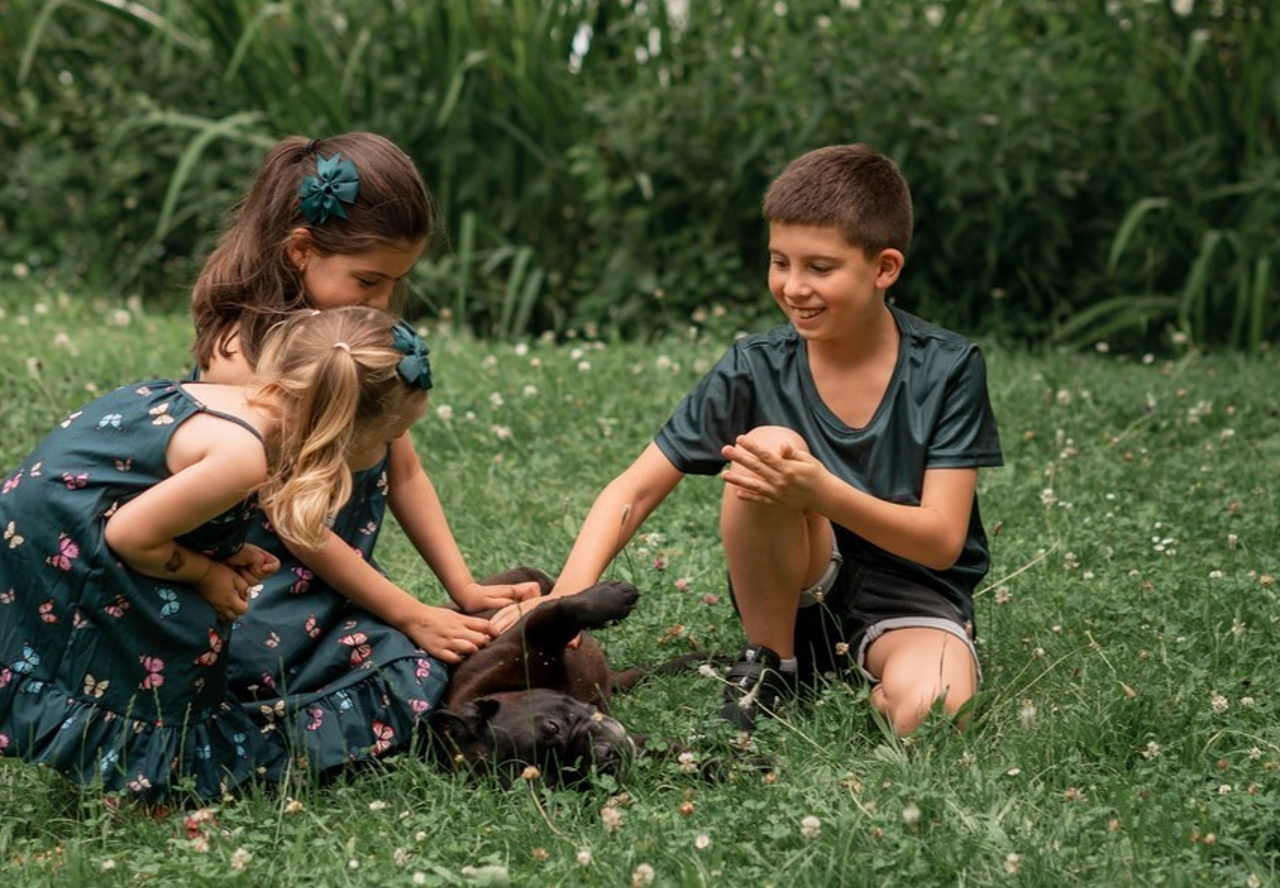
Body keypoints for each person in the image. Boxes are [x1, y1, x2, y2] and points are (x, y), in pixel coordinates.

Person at [493, 144, 1003, 737]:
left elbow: (942, 542)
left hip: (912, 602)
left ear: (884, 268)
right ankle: (771, 666)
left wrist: (822, 491)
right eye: (779, 261)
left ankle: (884, 669)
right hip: (795, 591)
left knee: (934, 713)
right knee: (768, 445)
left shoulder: (947, 368)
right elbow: (634, 487)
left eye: (820, 267)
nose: (793, 287)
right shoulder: (754, 366)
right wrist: (565, 604)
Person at [190, 133, 536, 778]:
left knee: (441, 642)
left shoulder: (353, 340)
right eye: (369, 280)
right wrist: (409, 612)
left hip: (334, 588)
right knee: (411, 666)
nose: (380, 302)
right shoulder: (244, 362)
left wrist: (459, 588)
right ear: (300, 250)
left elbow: (404, 471)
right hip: (260, 599)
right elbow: (301, 525)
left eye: (395, 283)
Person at [0, 306, 431, 800]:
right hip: (64, 539)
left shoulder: (234, 401)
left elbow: (147, 495)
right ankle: (139, 788)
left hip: (52, 514)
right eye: (389, 435)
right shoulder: (242, 456)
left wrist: (224, 547)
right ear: (342, 431)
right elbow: (128, 536)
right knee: (175, 638)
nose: (394, 444)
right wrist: (206, 573)